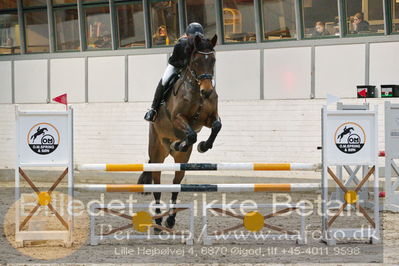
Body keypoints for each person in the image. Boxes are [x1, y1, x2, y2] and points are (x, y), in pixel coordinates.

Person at [144, 22, 205, 122]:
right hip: (176, 65)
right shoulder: (181, 44)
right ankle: (153, 109)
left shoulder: (202, 45)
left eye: (198, 38)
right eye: (194, 38)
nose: (196, 40)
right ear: (188, 36)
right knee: (164, 80)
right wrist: (184, 63)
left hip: (192, 69)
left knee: (210, 81)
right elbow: (173, 61)